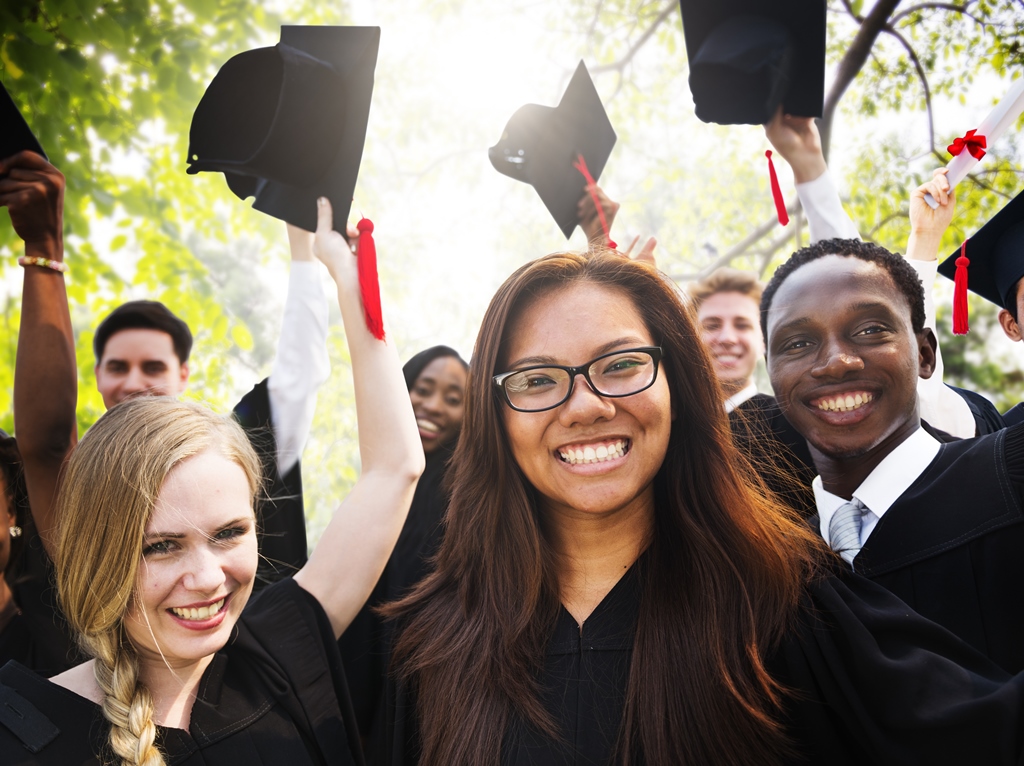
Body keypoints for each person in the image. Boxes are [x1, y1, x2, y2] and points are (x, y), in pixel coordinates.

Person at [377, 248, 1024, 766]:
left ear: (679, 389)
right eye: (538, 380)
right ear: (498, 417)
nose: (585, 406)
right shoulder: (433, 642)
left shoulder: (781, 606)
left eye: (622, 365)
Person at [0, 196, 425, 765]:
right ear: (98, 552)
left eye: (228, 534)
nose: (206, 578)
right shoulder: (27, 732)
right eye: (160, 546)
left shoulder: (279, 651)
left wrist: (346, 276)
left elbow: (396, 467)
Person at [4, 149, 328, 599]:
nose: (135, 382)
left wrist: (305, 244)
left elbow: (297, 374)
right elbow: (48, 445)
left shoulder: (233, 452)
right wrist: (43, 251)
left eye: (226, 533)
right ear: (97, 377)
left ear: (183, 374)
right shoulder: (84, 490)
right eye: (119, 367)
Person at [762, 237, 1024, 673]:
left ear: (925, 355)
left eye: (870, 330)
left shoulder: (1010, 478)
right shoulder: (772, 569)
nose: (835, 362)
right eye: (797, 343)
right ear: (771, 372)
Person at [340, 345, 469, 747]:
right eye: (422, 389)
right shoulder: (376, 485)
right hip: (351, 680)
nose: (433, 406)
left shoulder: (463, 502)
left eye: (453, 399)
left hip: (420, 691)